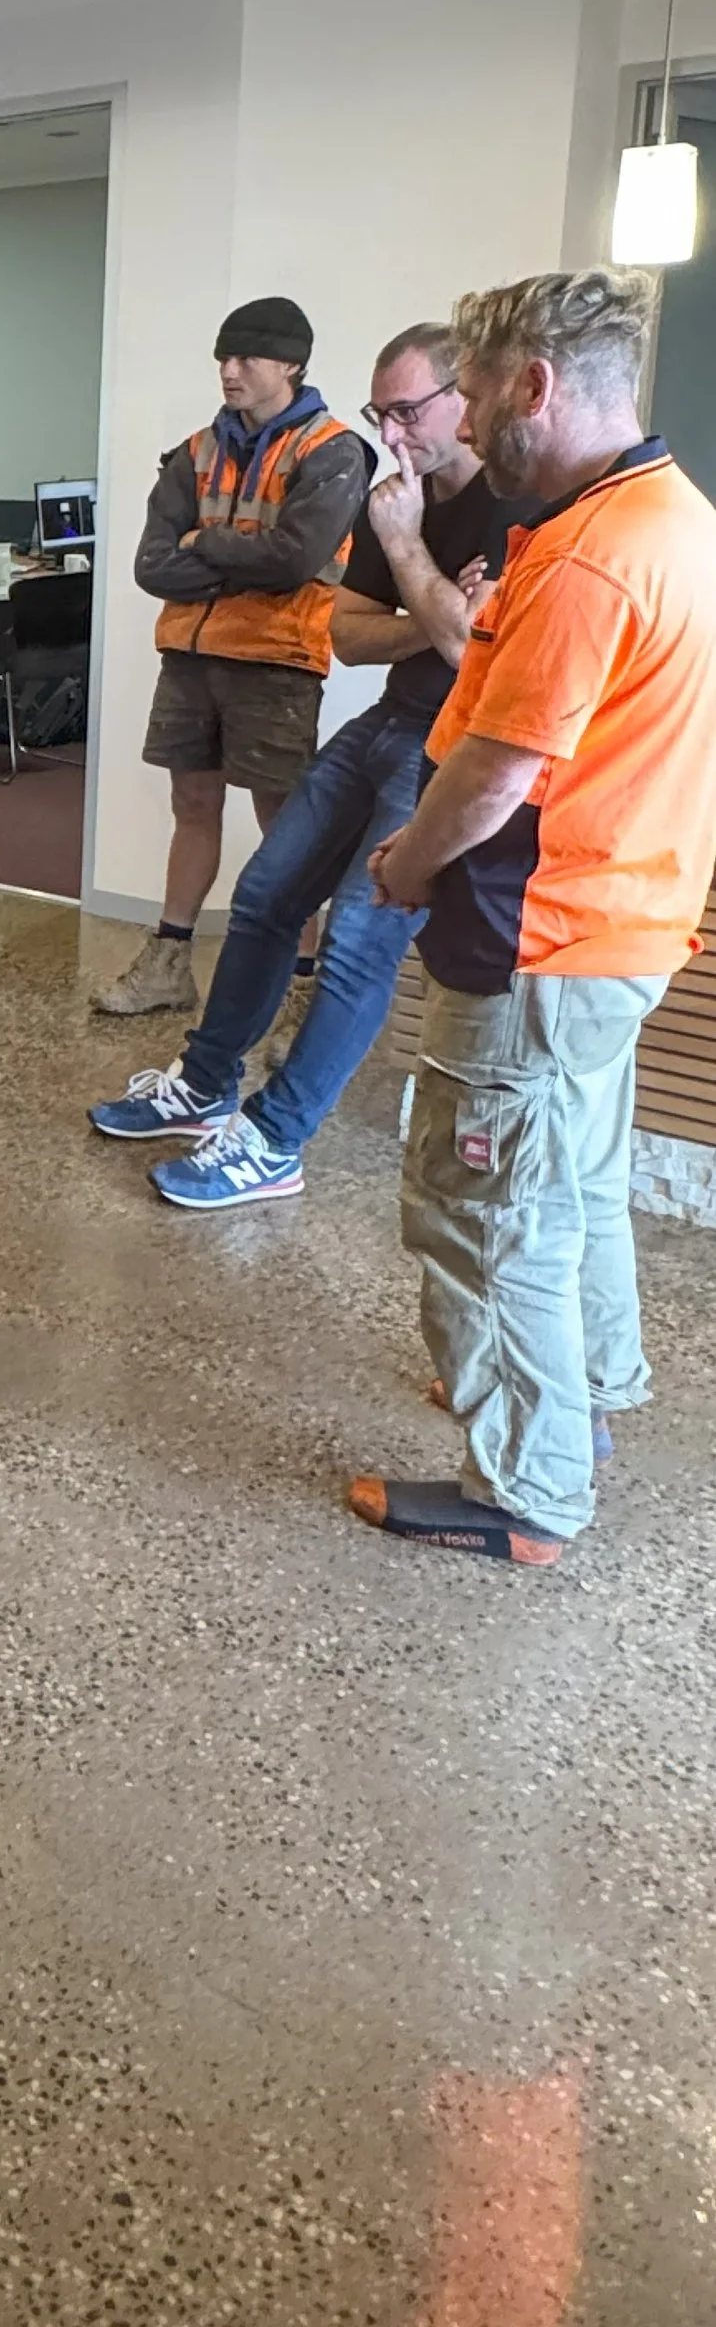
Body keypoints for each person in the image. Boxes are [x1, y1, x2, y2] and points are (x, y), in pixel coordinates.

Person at [349, 268, 716, 1565]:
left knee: (480, 1206)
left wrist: (403, 866)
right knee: (577, 1178)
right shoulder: (671, 517)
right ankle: (594, 1391)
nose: (467, 419)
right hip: (624, 928)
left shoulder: (593, 558)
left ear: (536, 385)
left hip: (540, 939)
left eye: (479, 389)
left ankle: (530, 1486)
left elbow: (500, 769)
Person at [91, 322, 529, 1204]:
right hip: (383, 720)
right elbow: (350, 632)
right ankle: (205, 1088)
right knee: (264, 895)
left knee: (362, 942)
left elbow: (462, 649)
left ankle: (276, 1139)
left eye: (408, 411)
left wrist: (409, 557)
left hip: (453, 740)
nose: (392, 434)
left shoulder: (508, 505)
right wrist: (432, 607)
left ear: (463, 400)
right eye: (382, 412)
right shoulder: (395, 494)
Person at [95, 295, 373, 1017]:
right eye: (224, 354)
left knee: (288, 821)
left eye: (247, 355)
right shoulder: (195, 452)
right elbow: (152, 565)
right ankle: (168, 963)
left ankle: (301, 988)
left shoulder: (333, 451)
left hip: (278, 660)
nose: (230, 368)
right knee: (192, 803)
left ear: (291, 363)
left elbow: (295, 560)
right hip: (190, 655)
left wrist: (206, 545)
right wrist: (236, 558)